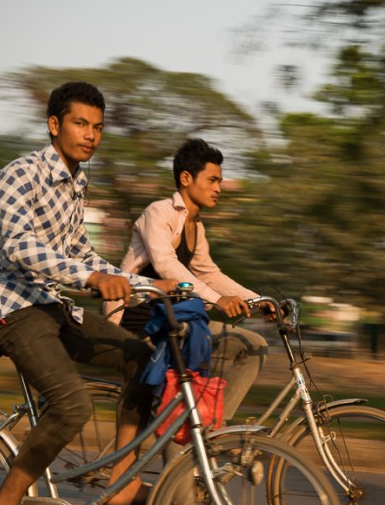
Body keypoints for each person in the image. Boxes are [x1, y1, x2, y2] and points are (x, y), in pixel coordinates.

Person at [0, 81, 174, 505]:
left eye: (98, 127)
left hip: (52, 307)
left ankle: (123, 478)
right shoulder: (16, 176)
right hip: (10, 308)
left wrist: (148, 285)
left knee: (143, 358)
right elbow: (22, 247)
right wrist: (90, 277)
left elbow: (81, 253)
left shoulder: (75, 183)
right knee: (71, 405)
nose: (91, 135)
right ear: (54, 125)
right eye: (81, 124)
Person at [105, 138, 270, 424]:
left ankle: (213, 427)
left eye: (220, 181)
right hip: (142, 323)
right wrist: (217, 300)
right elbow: (165, 264)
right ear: (186, 178)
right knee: (179, 397)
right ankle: (190, 435)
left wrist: (258, 301)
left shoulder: (197, 227)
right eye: (212, 180)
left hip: (177, 323)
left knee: (254, 346)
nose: (218, 188)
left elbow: (210, 273)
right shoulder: (159, 212)